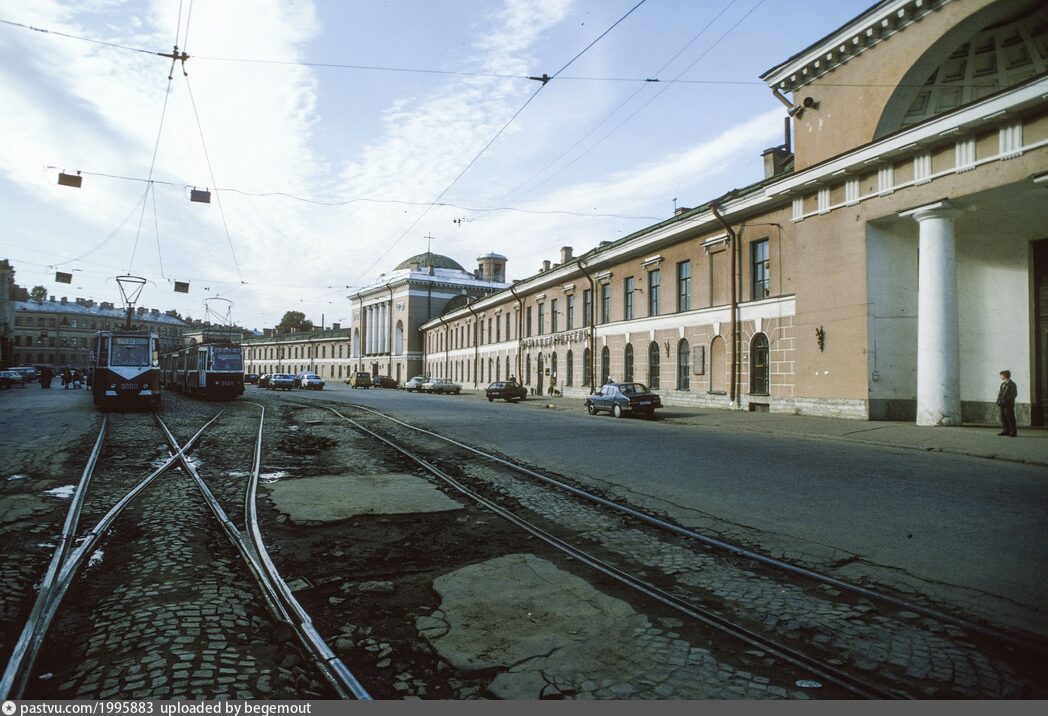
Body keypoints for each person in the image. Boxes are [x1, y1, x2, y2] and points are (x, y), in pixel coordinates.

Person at [996, 370, 1017, 437]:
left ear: (1005, 375)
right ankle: (1006, 431)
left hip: (1008, 404)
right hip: (1002, 404)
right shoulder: (1003, 384)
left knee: (1010, 418)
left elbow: (1013, 394)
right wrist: (998, 400)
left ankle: (1013, 432)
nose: (1000, 377)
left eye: (1001, 375)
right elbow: (1000, 393)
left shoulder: (1012, 384)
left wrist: (1006, 400)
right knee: (1003, 417)